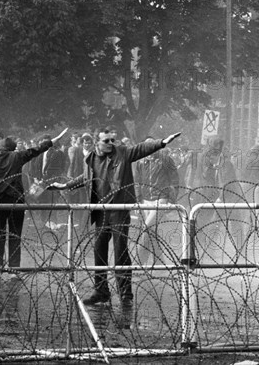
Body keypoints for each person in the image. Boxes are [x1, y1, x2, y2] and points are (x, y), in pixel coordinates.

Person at [47, 129, 181, 305]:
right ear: (98, 143)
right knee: (99, 249)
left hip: (119, 209)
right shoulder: (92, 159)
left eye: (112, 139)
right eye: (106, 140)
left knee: (120, 250)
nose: (111, 143)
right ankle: (101, 291)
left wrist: (162, 142)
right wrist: (65, 186)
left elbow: (141, 149)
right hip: (101, 211)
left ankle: (126, 293)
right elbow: (86, 178)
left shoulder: (123, 153)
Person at [0, 128, 68, 279]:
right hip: (15, 200)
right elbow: (36, 150)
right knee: (15, 235)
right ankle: (14, 269)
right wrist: (52, 140)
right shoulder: (17, 157)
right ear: (13, 148)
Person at [135, 137, 180, 265]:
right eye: (146, 145)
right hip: (145, 200)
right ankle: (160, 262)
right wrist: (139, 200)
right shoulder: (141, 161)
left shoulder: (165, 160)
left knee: (146, 228)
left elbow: (174, 180)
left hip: (160, 199)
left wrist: (171, 199)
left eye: (152, 144)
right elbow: (137, 182)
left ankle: (138, 263)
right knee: (151, 232)